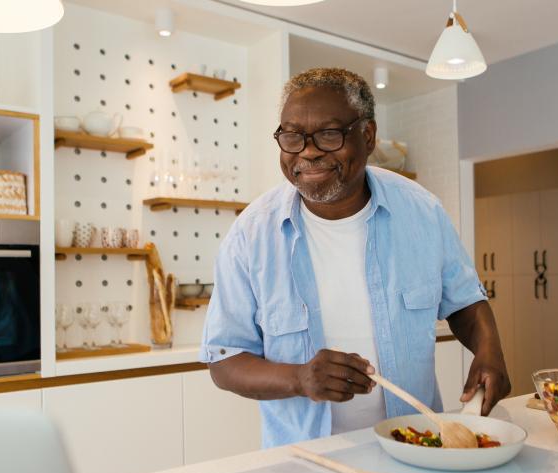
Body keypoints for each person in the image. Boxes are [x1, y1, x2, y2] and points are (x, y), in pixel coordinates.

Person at [200, 67, 509, 447]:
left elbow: (466, 303)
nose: (308, 152)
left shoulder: (421, 212)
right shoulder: (251, 235)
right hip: (304, 464)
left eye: (328, 135)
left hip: (416, 446)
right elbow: (224, 360)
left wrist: (489, 350)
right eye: (292, 136)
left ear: (367, 135)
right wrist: (299, 378)